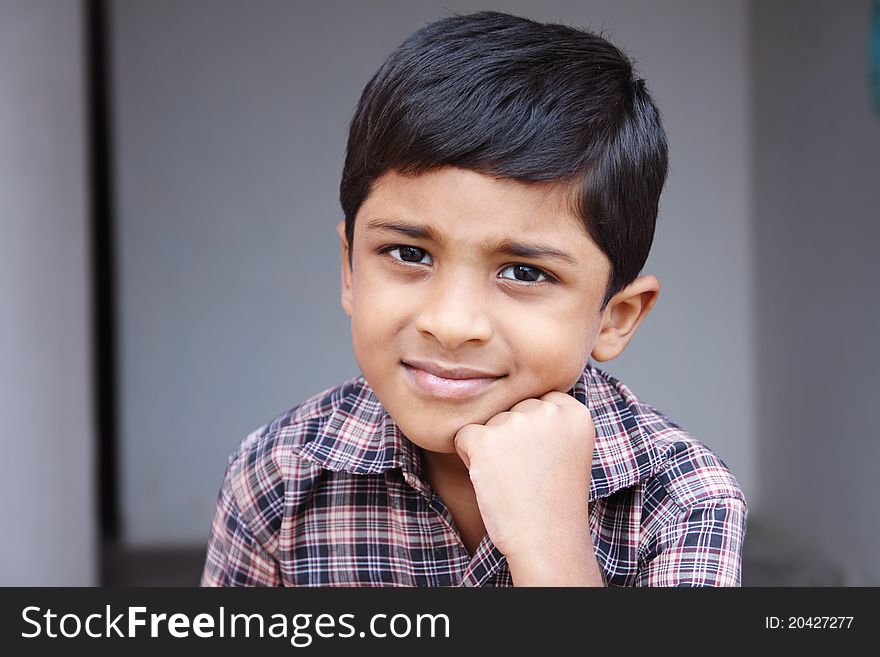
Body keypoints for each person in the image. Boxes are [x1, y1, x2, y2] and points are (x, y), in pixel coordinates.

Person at [201, 11, 747, 587]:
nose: (452, 323)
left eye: (524, 271)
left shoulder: (684, 501)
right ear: (349, 270)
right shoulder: (279, 476)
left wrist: (550, 545)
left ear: (615, 318)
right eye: (409, 254)